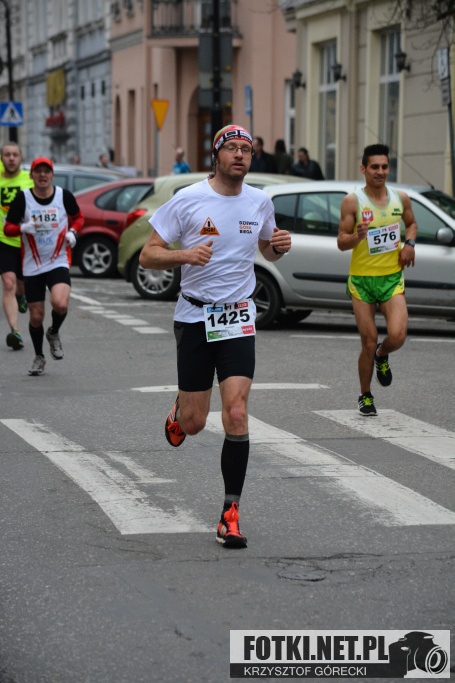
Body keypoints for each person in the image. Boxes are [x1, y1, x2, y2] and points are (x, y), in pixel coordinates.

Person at [139, 124, 291, 548]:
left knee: (236, 412)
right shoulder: (188, 199)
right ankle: (180, 410)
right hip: (194, 315)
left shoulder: (260, 201)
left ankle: (230, 513)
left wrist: (278, 245)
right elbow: (148, 254)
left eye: (246, 149)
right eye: (232, 148)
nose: (240, 155)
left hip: (238, 316)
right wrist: (185, 255)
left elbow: (267, 248)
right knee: (194, 423)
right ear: (216, 155)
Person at [337, 143, 417, 416]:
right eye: (374, 167)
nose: (380, 171)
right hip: (361, 282)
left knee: (398, 335)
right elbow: (341, 242)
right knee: (368, 341)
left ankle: (382, 355)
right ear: (363, 169)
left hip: (391, 278)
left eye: (384, 166)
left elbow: (412, 224)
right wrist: (357, 236)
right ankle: (365, 395)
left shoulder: (400, 198)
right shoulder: (353, 201)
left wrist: (410, 244)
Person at [4, 157, 84, 376]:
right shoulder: (23, 198)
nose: (42, 175)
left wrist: (73, 232)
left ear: (52, 175)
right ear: (31, 175)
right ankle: (39, 356)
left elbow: (79, 217)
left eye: (46, 172)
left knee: (60, 303)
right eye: (38, 171)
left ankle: (54, 332)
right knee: (36, 317)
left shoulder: (63, 196)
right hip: (33, 265)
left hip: (58, 260)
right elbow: (8, 228)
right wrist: (23, 228)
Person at [0, 142, 34, 351]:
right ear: (1, 158)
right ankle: (15, 331)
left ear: (21, 158)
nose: (11, 158)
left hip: (27, 242)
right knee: (8, 284)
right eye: (7, 155)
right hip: (3, 240)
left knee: (21, 286)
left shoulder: (29, 181)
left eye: (15, 155)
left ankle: (22, 296)